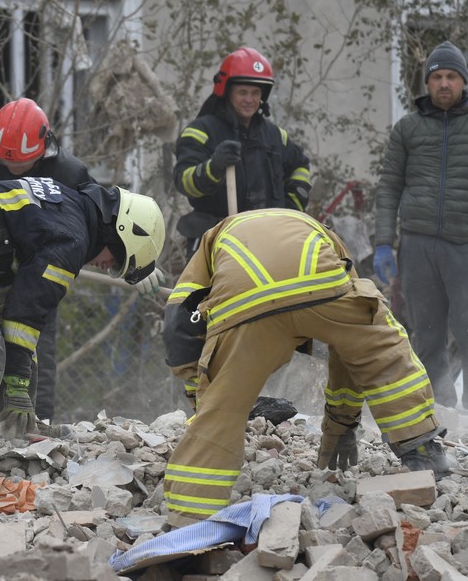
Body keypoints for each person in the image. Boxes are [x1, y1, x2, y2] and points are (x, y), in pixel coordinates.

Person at [161, 208, 449, 529]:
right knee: (380, 347)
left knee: (222, 408)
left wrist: (201, 398)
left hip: (245, 304)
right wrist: (341, 428)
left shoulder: (211, 239)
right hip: (319, 283)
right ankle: (421, 446)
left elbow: (179, 327)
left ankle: (187, 522)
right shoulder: (323, 237)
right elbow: (351, 357)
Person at [0, 98, 167, 421]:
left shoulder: (70, 171)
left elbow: (103, 225)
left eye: (21, 165)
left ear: (44, 149)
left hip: (38, 269)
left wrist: (137, 262)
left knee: (35, 345)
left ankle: (33, 422)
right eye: (5, 164)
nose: (12, 170)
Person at [0, 177, 165, 480]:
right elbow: (25, 313)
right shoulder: (72, 239)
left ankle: (16, 425)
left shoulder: (72, 211)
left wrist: (20, 390)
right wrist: (16, 385)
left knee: (14, 342)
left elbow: (23, 326)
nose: (108, 267)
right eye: (117, 260)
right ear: (121, 230)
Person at [374, 41, 468, 409]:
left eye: (452, 76)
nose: (444, 83)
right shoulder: (407, 129)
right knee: (426, 336)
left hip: (464, 244)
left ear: (462, 82)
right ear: (427, 82)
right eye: (437, 76)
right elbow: (388, 187)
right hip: (417, 246)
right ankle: (440, 413)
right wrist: (384, 242)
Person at [173, 47, 312, 257]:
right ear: (226, 92)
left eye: (255, 93)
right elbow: (184, 182)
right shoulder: (201, 132)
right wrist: (214, 167)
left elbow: (300, 165)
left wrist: (290, 209)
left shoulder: (275, 136)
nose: (249, 99)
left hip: (270, 242)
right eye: (242, 92)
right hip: (217, 242)